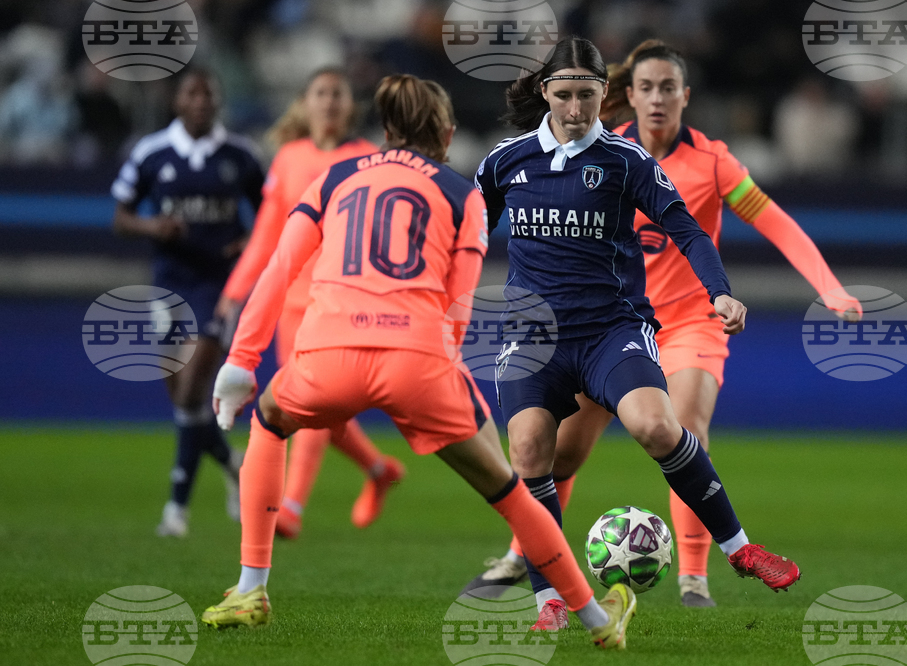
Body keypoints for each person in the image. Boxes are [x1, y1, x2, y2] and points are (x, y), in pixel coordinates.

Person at [202, 74, 636, 650]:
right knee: (511, 489)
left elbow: (279, 268)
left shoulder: (332, 178)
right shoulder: (464, 196)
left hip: (328, 352)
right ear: (448, 134)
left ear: (385, 131)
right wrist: (442, 381)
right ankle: (596, 620)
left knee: (270, 419)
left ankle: (250, 587)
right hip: (416, 360)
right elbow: (459, 304)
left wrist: (240, 361)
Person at [468, 40, 862, 610]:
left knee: (664, 426)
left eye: (586, 95)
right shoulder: (507, 161)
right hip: (536, 336)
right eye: (564, 95)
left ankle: (724, 559)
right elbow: (463, 232)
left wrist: (725, 293)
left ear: (606, 95)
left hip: (624, 327)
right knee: (536, 456)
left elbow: (695, 231)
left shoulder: (643, 162)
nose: (576, 109)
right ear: (546, 93)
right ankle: (547, 598)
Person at [217, 67, 404, 538]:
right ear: (304, 103)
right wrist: (235, 292)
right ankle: (379, 471)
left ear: (349, 105)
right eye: (320, 93)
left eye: (338, 94)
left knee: (315, 403)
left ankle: (292, 504)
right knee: (316, 408)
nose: (329, 102)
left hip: (344, 303)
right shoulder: (288, 158)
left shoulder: (369, 158)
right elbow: (266, 237)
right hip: (294, 303)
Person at [110, 68, 266, 537]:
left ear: (218, 101)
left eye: (208, 93)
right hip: (169, 284)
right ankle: (232, 465)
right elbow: (120, 217)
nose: (200, 101)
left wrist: (248, 244)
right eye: (192, 93)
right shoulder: (151, 153)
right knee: (183, 398)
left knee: (196, 384)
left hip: (220, 287)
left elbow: (270, 215)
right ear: (176, 101)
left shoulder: (240, 155)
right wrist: (151, 227)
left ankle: (176, 510)